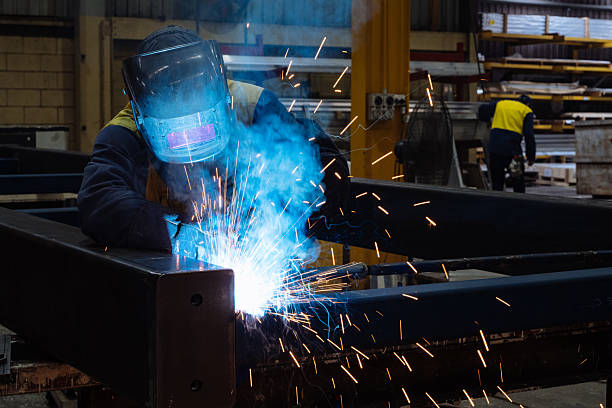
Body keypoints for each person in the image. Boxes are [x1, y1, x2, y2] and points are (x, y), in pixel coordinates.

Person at [77, 25, 348, 252]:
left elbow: (323, 164)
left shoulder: (251, 105)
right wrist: (179, 234)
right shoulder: (124, 134)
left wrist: (276, 221)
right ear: (145, 110)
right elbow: (99, 201)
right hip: (168, 269)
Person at [478, 94, 535, 192]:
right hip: (513, 153)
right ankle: (519, 205)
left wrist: (487, 120)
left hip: (495, 150)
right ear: (528, 104)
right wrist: (531, 157)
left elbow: (482, 109)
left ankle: (498, 205)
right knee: (518, 182)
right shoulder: (526, 111)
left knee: (497, 184)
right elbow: (529, 136)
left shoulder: (501, 104)